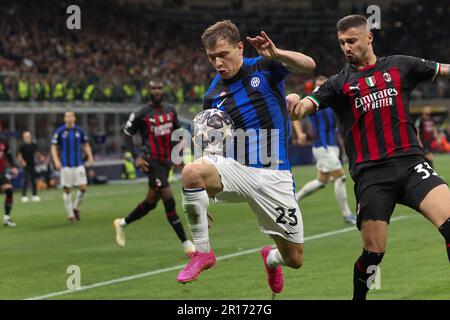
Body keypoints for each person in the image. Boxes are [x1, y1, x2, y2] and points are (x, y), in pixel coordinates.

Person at [288, 15, 450, 300]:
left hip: (412, 165)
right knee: (373, 255)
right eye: (341, 43)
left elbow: (444, 69)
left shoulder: (401, 65)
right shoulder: (338, 84)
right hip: (372, 176)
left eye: (351, 40)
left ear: (368, 37)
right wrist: (293, 104)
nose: (346, 47)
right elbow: (304, 108)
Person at [176, 20, 316, 295]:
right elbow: (210, 147)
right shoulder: (212, 96)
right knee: (191, 172)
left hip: (275, 176)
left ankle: (271, 258)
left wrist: (277, 54)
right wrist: (200, 196)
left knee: (294, 259)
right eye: (212, 57)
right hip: (237, 171)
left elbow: (309, 65)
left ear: (240, 48)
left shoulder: (263, 67)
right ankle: (203, 253)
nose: (218, 62)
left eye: (223, 54)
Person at [113, 79, 195, 257]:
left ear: (163, 91)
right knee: (168, 199)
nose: (157, 91)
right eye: (153, 89)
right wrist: (136, 157)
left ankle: (122, 223)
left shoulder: (170, 111)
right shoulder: (142, 113)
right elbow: (127, 135)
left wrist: (177, 153)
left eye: (159, 88)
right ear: (148, 91)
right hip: (152, 161)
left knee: (150, 203)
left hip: (165, 163)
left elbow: (177, 134)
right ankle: (187, 244)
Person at [292, 76, 356, 224]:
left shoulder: (334, 101)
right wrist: (300, 133)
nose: (322, 87)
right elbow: (295, 116)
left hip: (333, 147)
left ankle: (294, 199)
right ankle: (347, 214)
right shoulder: (313, 100)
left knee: (321, 181)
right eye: (319, 85)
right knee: (340, 177)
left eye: (325, 84)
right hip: (322, 147)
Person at [51, 111, 94, 222]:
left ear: (74, 118)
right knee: (67, 189)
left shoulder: (79, 131)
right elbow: (53, 146)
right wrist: (56, 160)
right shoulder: (60, 131)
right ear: (64, 119)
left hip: (79, 164)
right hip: (66, 165)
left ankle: (75, 207)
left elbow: (85, 144)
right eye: (67, 116)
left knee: (83, 188)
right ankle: (70, 215)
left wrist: (90, 156)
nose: (69, 118)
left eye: (71, 116)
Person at [0, 129, 19, 227]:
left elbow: (9, 155)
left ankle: (7, 218)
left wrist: (14, 166)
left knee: (9, 190)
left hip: (1, 173)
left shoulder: (3, 140)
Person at [17, 131, 41, 203]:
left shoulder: (34, 145)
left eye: (29, 136)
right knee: (26, 180)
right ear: (23, 138)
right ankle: (24, 196)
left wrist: (41, 157)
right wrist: (22, 161)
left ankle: (34, 195)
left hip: (32, 164)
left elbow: (37, 153)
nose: (28, 138)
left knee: (34, 180)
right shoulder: (22, 146)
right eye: (26, 137)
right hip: (25, 165)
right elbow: (19, 155)